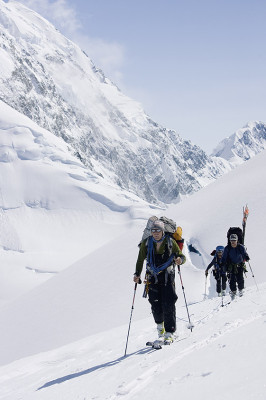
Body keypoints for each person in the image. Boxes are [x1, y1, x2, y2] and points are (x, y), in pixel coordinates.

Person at [133, 220, 186, 344]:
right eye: (153, 230)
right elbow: (140, 260)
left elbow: (181, 256)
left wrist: (179, 260)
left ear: (162, 231)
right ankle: (160, 330)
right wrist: (137, 274)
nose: (155, 233)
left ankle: (169, 332)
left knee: (169, 303)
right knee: (155, 304)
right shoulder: (147, 243)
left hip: (168, 277)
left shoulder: (170, 242)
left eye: (158, 230)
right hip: (152, 278)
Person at [221, 233, 250, 299]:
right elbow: (224, 257)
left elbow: (244, 253)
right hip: (231, 266)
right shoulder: (227, 248)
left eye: (234, 240)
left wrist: (246, 257)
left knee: (240, 278)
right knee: (232, 280)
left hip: (240, 265)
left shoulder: (241, 247)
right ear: (230, 241)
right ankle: (233, 292)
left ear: (237, 240)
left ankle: (241, 290)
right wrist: (222, 263)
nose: (233, 242)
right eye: (231, 240)